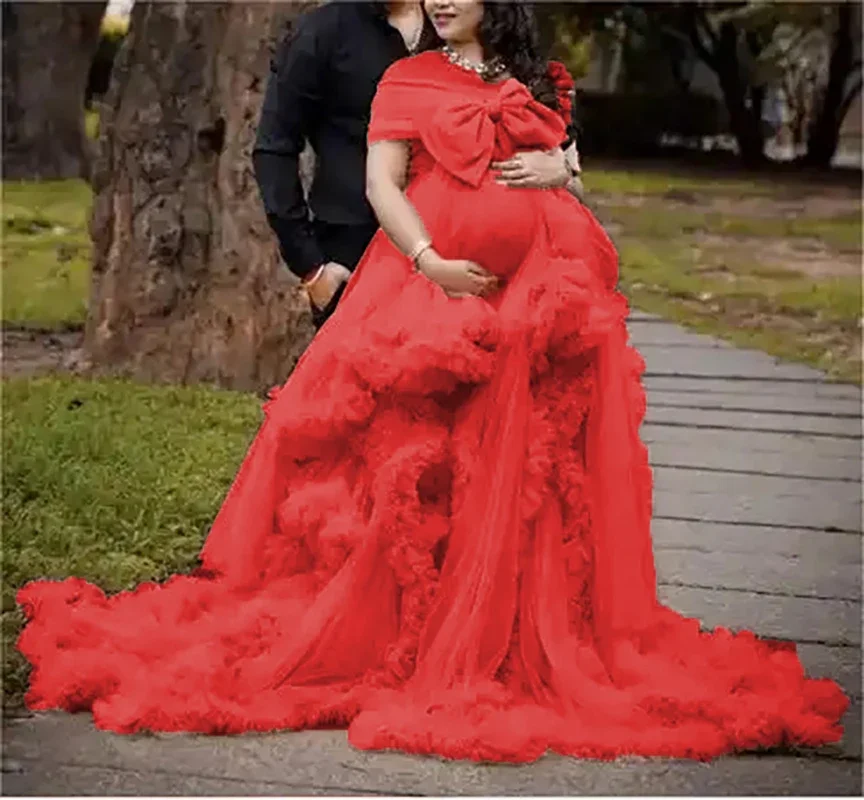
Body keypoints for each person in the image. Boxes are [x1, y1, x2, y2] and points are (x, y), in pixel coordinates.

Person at [17, 0, 847, 764]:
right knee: (416, 455)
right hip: (422, 284)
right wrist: (430, 261)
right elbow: (381, 182)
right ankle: (410, 624)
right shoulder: (407, 77)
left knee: (522, 469)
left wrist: (559, 172)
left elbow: (571, 163)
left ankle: (507, 626)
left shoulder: (539, 80)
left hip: (537, 295)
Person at [253, 0, 582, 329]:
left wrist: (562, 171)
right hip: (357, 251)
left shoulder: (465, 26)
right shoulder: (324, 31)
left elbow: (562, 158)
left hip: (483, 265)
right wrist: (312, 268)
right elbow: (274, 147)